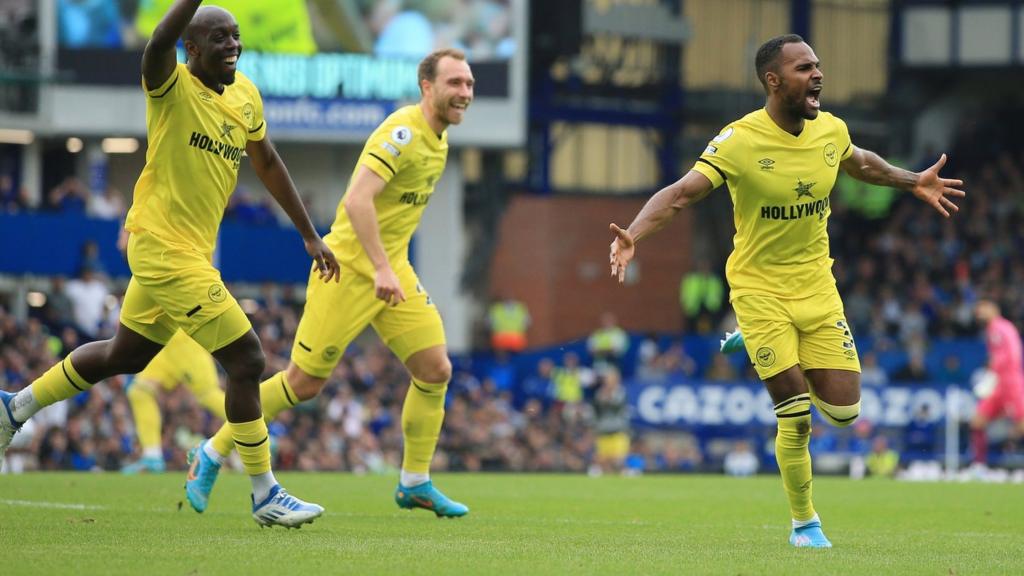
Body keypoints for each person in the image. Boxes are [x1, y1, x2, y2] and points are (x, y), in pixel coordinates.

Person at [608, 34, 964, 547]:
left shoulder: (831, 130)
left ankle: (750, 341)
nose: (817, 74)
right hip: (758, 289)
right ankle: (805, 523)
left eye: (817, 66)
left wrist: (915, 181)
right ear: (774, 81)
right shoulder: (738, 140)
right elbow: (682, 193)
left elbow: (862, 163)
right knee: (795, 413)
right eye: (803, 68)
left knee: (844, 413)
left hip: (818, 286)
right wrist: (633, 235)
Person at [0, 0, 339, 528]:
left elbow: (267, 161)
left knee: (124, 355)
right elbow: (156, 44)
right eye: (220, 39)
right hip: (164, 248)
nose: (233, 46)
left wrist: (309, 234)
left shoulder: (245, 95)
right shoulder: (171, 84)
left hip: (185, 251)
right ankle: (263, 491)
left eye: (236, 36)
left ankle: (14, 407)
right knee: (248, 360)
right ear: (193, 48)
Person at [184, 48, 475, 518]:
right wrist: (380, 266)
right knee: (302, 384)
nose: (464, 92)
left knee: (435, 370)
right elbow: (358, 201)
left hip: (391, 269)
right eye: (454, 83)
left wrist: (388, 266)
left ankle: (414, 482)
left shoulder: (438, 140)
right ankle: (211, 452)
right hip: (350, 270)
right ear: (427, 87)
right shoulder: (402, 133)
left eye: (468, 84)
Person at [121, 329, 225, 474]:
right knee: (139, 392)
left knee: (208, 394)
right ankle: (152, 458)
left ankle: (256, 431)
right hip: (163, 341)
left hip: (185, 339)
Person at [970, 299, 1024, 467]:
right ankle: (979, 466)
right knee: (977, 421)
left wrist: (991, 375)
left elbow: (1009, 355)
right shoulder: (997, 328)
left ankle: (1009, 444)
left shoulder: (999, 327)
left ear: (992, 308)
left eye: (982, 309)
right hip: (999, 383)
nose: (979, 313)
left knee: (1022, 424)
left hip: (1010, 381)